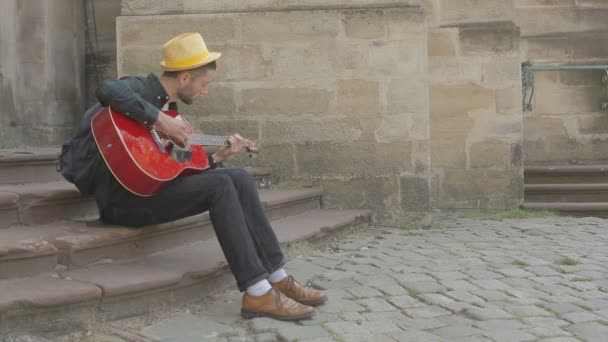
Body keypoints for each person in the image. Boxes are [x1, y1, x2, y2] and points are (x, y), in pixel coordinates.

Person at [62, 32, 327, 321]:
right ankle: (257, 292)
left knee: (237, 176)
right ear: (185, 78)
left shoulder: (173, 114)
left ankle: (277, 276)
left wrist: (216, 158)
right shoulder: (142, 90)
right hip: (123, 201)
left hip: (153, 190)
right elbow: (107, 88)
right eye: (205, 84)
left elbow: (171, 166)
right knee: (222, 184)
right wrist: (158, 118)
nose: (206, 92)